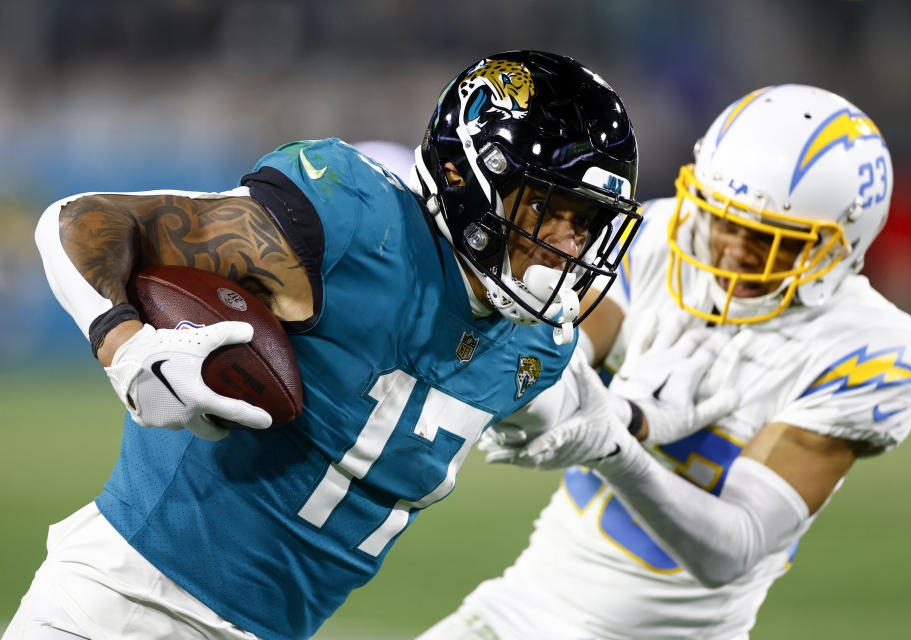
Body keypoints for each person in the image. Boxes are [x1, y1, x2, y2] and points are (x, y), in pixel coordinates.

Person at [4, 51, 644, 640]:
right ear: (465, 175)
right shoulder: (354, 226)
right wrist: (127, 347)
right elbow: (84, 220)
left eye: (584, 220)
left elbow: (577, 394)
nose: (566, 242)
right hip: (120, 606)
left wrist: (634, 426)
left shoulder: (537, 345)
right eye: (548, 206)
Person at [417, 84, 911, 640]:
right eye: (722, 217)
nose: (730, 247)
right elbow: (555, 357)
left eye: (765, 236)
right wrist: (589, 405)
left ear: (839, 244)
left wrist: (617, 446)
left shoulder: (868, 348)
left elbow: (734, 549)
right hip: (522, 608)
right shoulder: (668, 239)